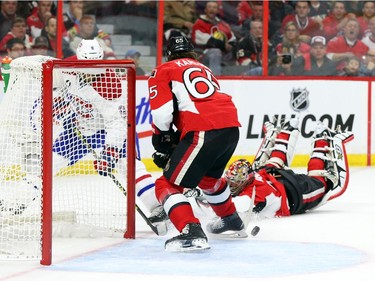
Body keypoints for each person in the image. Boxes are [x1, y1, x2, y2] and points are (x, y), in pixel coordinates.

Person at [27, 39, 167, 226]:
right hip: (80, 128)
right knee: (49, 162)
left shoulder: (110, 85)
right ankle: (20, 198)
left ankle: (156, 206)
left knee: (130, 166)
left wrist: (109, 155)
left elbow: (116, 124)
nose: (92, 71)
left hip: (111, 130)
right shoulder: (68, 65)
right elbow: (53, 82)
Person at [147, 35, 245, 252]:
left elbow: (162, 113)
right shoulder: (204, 69)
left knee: (167, 184)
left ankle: (191, 230)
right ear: (193, 52)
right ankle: (231, 220)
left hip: (204, 130)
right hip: (230, 127)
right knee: (209, 180)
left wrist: (162, 138)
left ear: (168, 54)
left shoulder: (163, 70)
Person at [189, 117, 354, 222]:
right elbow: (219, 188)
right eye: (231, 180)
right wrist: (199, 193)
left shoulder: (250, 196)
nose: (231, 184)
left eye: (234, 182)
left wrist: (199, 200)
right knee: (272, 163)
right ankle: (288, 130)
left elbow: (226, 208)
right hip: (269, 176)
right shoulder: (245, 178)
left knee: (320, 182)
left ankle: (322, 139)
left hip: (292, 192)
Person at [191, 1, 237, 76]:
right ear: (205, 10)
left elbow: (232, 38)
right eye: (210, 7)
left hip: (222, 54)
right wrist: (223, 45)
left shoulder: (222, 24)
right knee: (215, 52)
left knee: (233, 53)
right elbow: (202, 39)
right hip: (202, 55)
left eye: (214, 7)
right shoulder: (199, 23)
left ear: (217, 11)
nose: (212, 9)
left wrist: (231, 45)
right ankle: (216, 80)